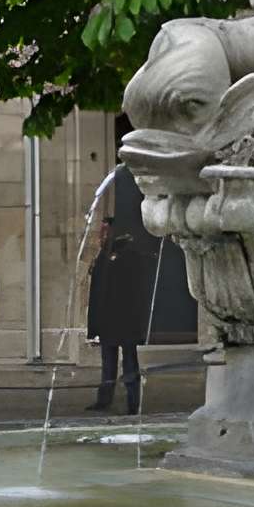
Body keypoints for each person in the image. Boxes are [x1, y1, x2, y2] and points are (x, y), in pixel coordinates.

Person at [86, 166, 156, 414]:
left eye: (106, 230)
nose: (101, 234)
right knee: (107, 364)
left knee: (129, 363)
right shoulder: (103, 257)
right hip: (107, 321)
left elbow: (135, 290)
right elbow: (97, 292)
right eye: (101, 230)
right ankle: (104, 400)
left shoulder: (127, 254)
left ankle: (133, 402)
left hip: (124, 321)